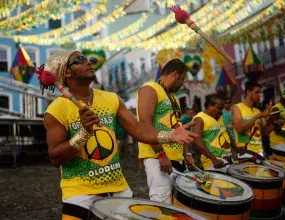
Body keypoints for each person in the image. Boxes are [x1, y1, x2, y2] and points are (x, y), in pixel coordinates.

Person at [43, 51, 196, 220]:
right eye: (80, 60)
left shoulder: (111, 99)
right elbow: (55, 158)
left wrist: (170, 135)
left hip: (118, 189)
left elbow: (139, 131)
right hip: (79, 193)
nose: (88, 62)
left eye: (86, 58)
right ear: (67, 72)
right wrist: (83, 133)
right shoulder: (56, 109)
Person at [137, 59, 195, 204]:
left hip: (177, 159)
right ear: (175, 74)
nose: (183, 83)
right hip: (158, 158)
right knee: (162, 205)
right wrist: (161, 154)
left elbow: (178, 127)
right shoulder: (150, 88)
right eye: (182, 79)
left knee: (179, 205)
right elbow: (145, 125)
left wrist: (186, 153)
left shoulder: (173, 97)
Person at [231, 82, 273, 161]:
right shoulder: (237, 107)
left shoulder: (257, 110)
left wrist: (273, 121)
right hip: (245, 153)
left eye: (260, 92)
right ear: (248, 92)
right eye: (257, 92)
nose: (259, 95)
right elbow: (239, 129)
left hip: (260, 153)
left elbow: (264, 133)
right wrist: (258, 116)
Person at [192, 95, 231, 173]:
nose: (221, 112)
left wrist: (237, 149)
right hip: (212, 164)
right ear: (210, 105)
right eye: (219, 108)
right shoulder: (199, 119)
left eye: (222, 109)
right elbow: (196, 141)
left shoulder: (219, 117)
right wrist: (214, 159)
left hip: (225, 161)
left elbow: (225, 133)